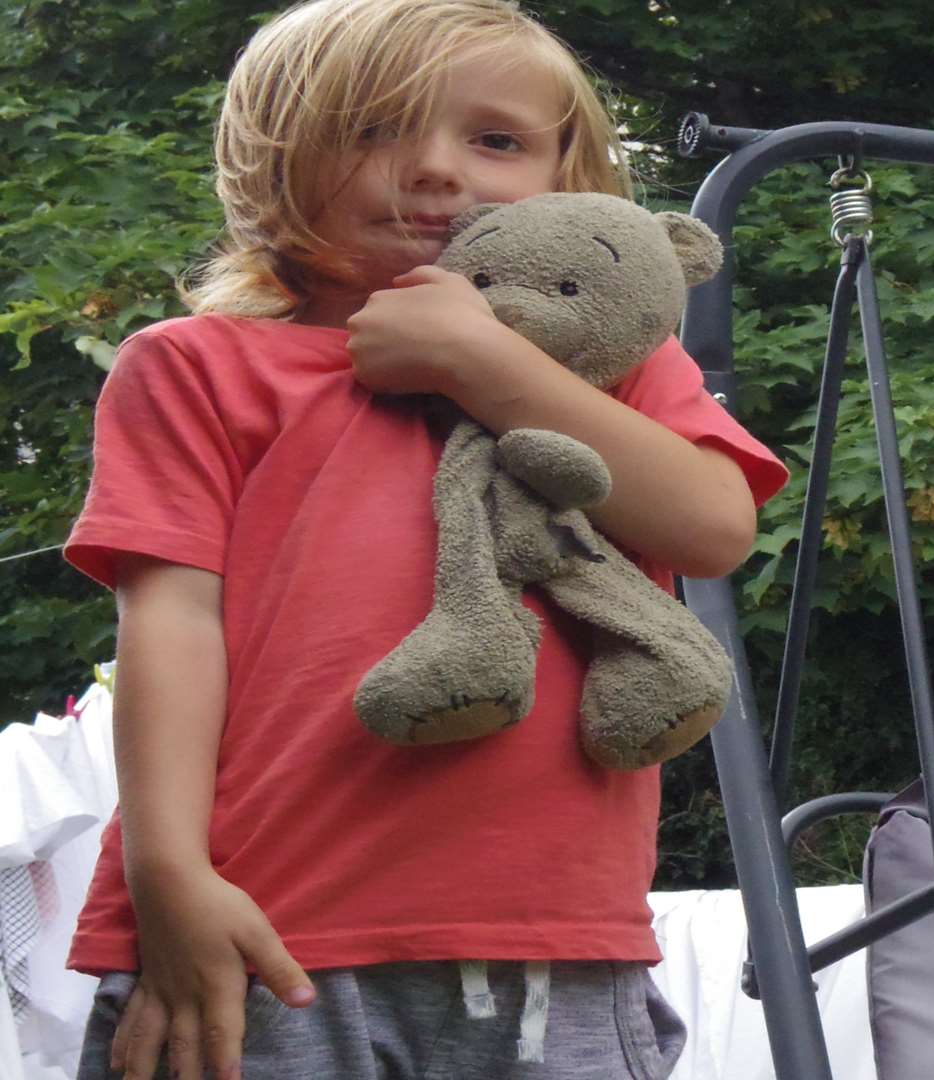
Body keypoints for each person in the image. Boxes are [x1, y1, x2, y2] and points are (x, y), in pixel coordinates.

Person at [61, 2, 788, 1077]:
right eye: (373, 129)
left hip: (551, 941)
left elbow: (714, 525)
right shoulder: (192, 367)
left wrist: (480, 363)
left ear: (566, 175)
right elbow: (172, 626)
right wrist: (170, 878)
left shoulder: (611, 366)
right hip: (256, 933)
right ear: (273, 157)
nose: (437, 171)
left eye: (496, 141)